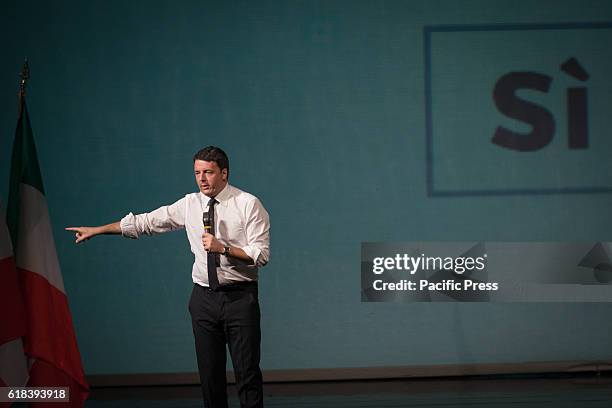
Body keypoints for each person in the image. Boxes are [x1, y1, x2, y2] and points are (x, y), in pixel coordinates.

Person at [66, 146, 270, 408]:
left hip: (240, 299)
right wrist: (98, 229)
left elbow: (261, 255)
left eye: (208, 172)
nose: (202, 179)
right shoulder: (190, 204)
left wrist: (224, 249)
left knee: (247, 374)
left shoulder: (248, 204)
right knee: (210, 378)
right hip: (203, 300)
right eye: (197, 172)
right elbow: (147, 222)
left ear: (224, 173)